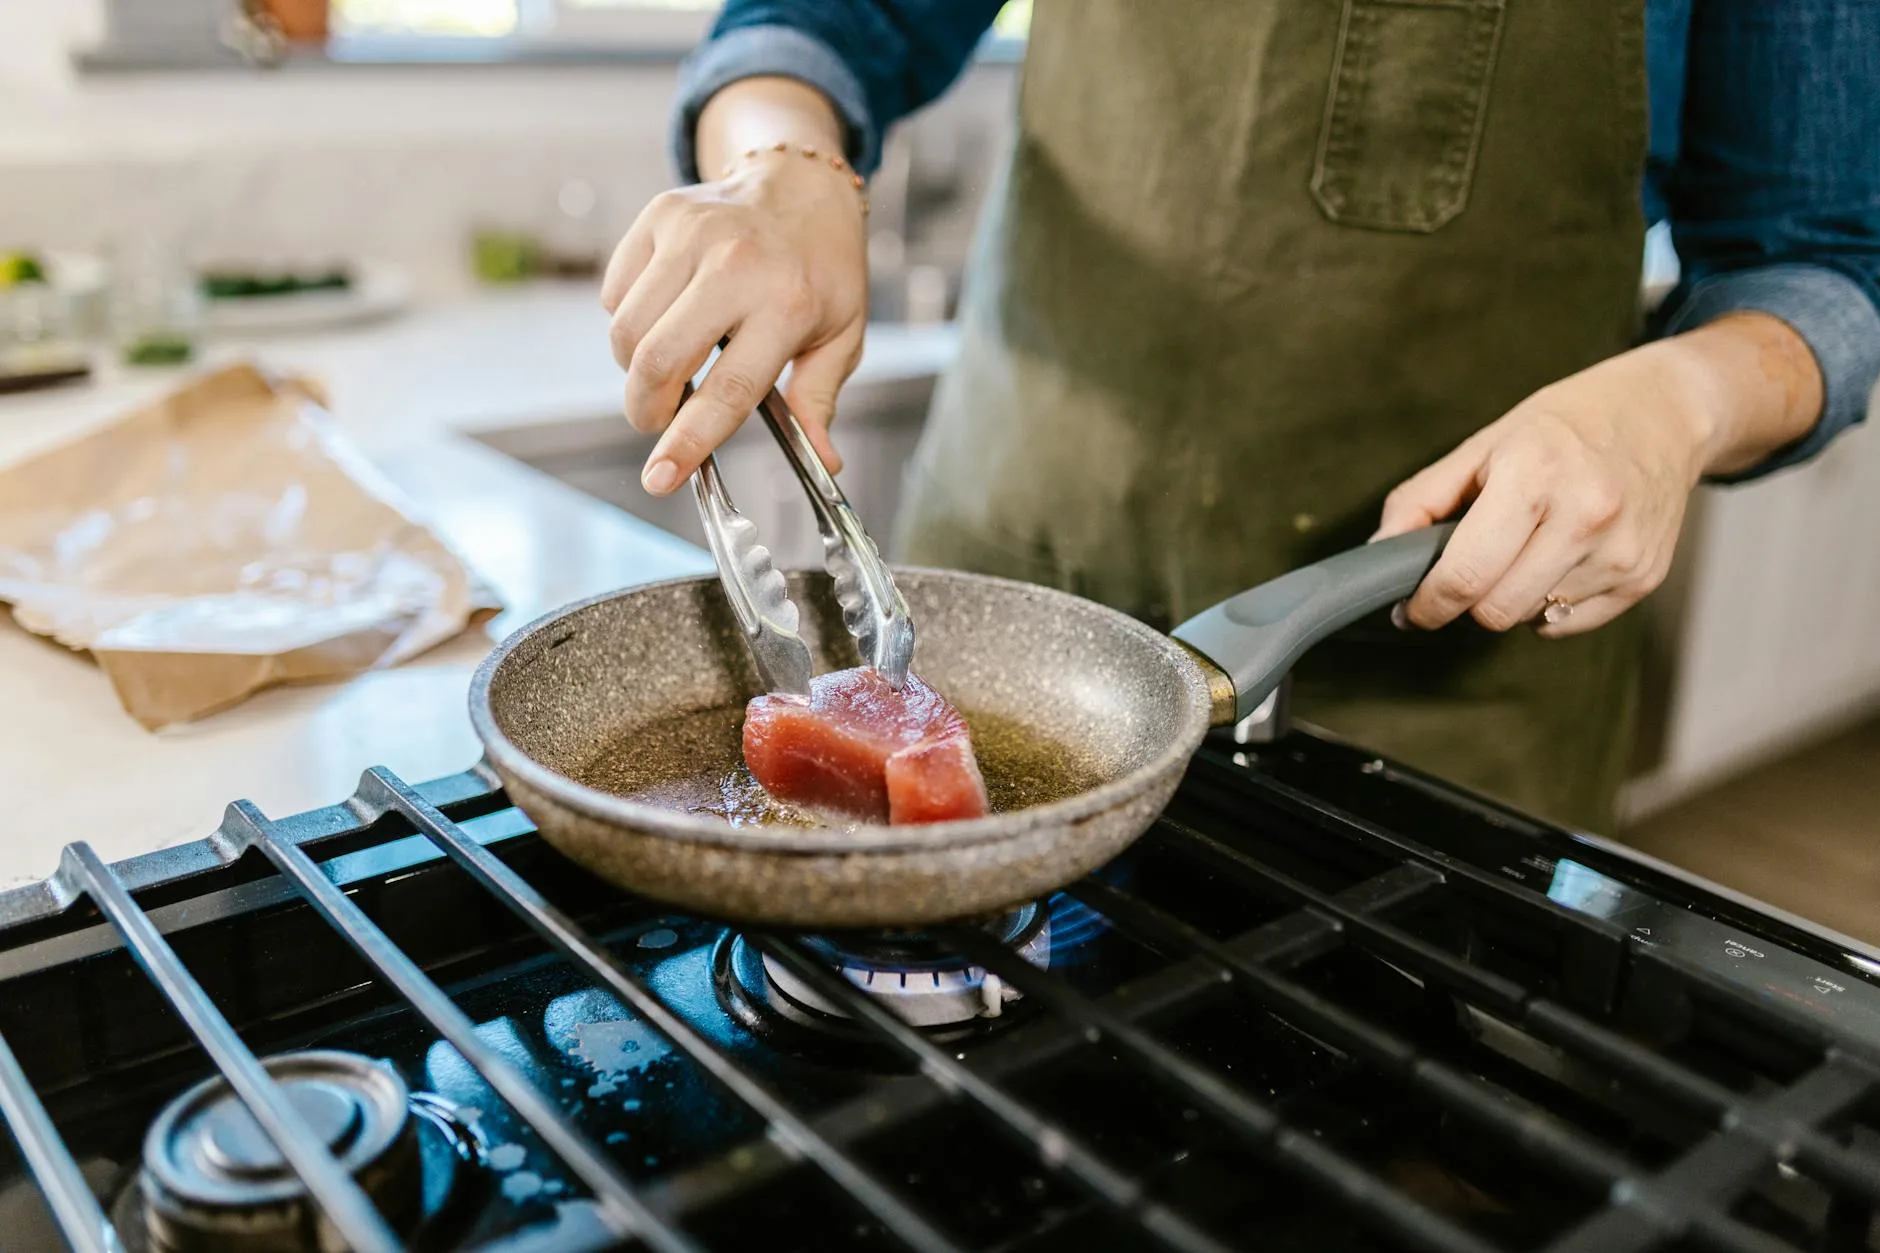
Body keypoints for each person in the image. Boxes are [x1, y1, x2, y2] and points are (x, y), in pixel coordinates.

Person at [600, 0, 1880, 831]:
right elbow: (820, 26)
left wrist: (1679, 399)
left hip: (1439, 690)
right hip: (1006, 603)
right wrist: (780, 166)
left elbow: (1824, 263)